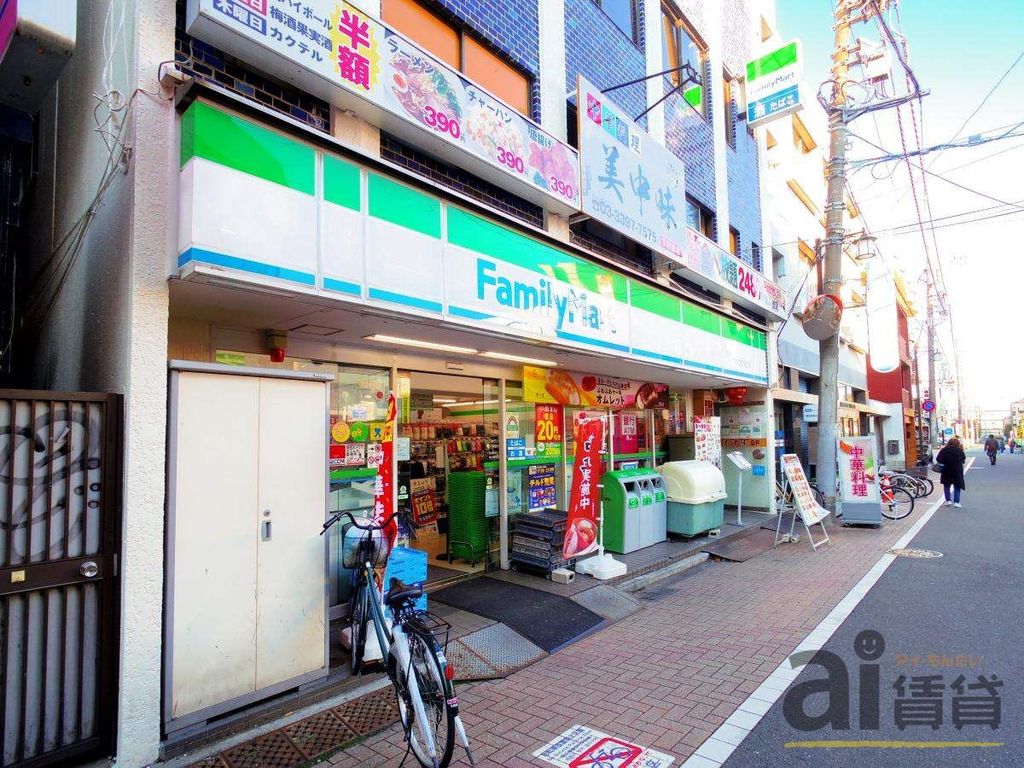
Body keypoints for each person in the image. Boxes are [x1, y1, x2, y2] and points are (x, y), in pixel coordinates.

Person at [936, 437, 967, 507]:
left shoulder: (944, 450)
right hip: (957, 470)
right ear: (958, 444)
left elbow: (938, 459)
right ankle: (957, 502)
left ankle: (948, 500)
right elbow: (963, 459)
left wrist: (944, 462)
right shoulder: (959, 450)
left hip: (946, 470)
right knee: (957, 486)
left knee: (946, 485)